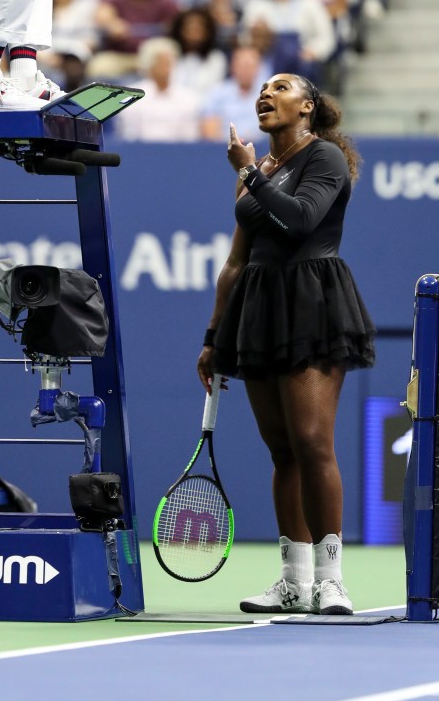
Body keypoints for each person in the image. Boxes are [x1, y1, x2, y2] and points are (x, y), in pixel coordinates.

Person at [197, 73, 375, 615]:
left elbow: (299, 221)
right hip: (259, 307)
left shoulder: (324, 157)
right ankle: (294, 580)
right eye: (263, 89)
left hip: (312, 302)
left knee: (312, 441)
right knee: (282, 449)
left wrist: (248, 172)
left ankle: (332, 580)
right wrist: (213, 337)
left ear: (307, 106)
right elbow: (235, 261)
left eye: (281, 87)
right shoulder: (260, 171)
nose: (266, 94)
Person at [113, 36, 201, 142]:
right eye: (161, 63)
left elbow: (190, 138)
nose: (166, 68)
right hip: (141, 150)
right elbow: (129, 136)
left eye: (169, 63)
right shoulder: (132, 96)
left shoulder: (189, 98)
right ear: (149, 65)